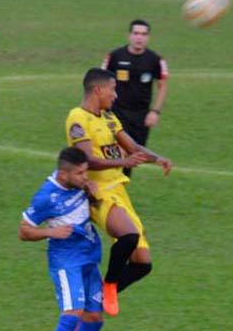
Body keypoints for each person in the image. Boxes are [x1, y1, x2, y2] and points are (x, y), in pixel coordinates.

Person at [65, 68, 173, 317]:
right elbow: (88, 160)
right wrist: (122, 163)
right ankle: (110, 284)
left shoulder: (109, 118)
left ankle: (99, 294)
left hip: (119, 191)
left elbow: (132, 146)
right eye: (112, 90)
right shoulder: (77, 118)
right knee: (128, 236)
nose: (115, 95)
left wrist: (157, 158)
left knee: (143, 264)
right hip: (97, 191)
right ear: (97, 90)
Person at [20, 147, 104, 331]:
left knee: (94, 318)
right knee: (72, 313)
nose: (84, 176)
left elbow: (88, 209)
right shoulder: (46, 196)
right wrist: (50, 233)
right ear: (63, 173)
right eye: (79, 173)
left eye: (85, 171)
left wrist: (94, 196)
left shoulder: (81, 186)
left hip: (89, 256)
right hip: (66, 260)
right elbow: (24, 231)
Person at [100, 19, 169, 177]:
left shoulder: (155, 60)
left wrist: (155, 111)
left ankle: (119, 193)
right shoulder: (115, 56)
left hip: (141, 117)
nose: (139, 38)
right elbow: (100, 81)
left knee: (133, 157)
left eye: (143, 34)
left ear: (148, 37)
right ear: (129, 35)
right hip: (116, 114)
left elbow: (163, 85)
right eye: (136, 33)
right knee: (115, 154)